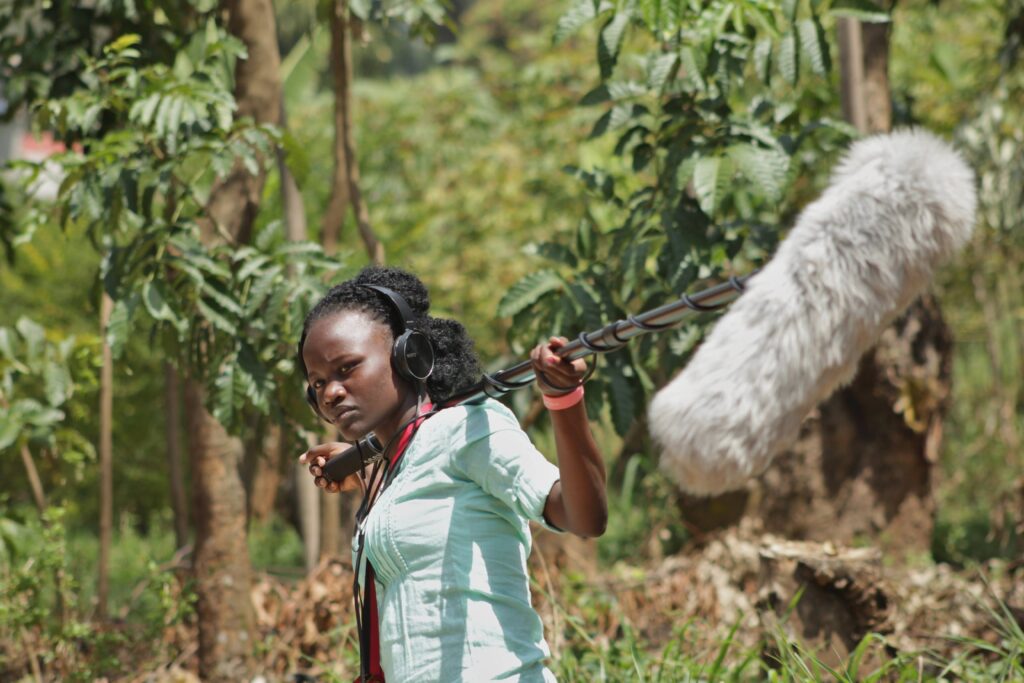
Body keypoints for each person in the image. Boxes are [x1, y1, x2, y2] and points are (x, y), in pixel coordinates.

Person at [297, 265, 607, 682]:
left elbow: (583, 516)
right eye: (317, 383)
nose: (331, 392)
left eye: (347, 368)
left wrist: (563, 398)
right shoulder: (392, 468)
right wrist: (374, 477)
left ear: (408, 355)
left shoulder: (469, 428)